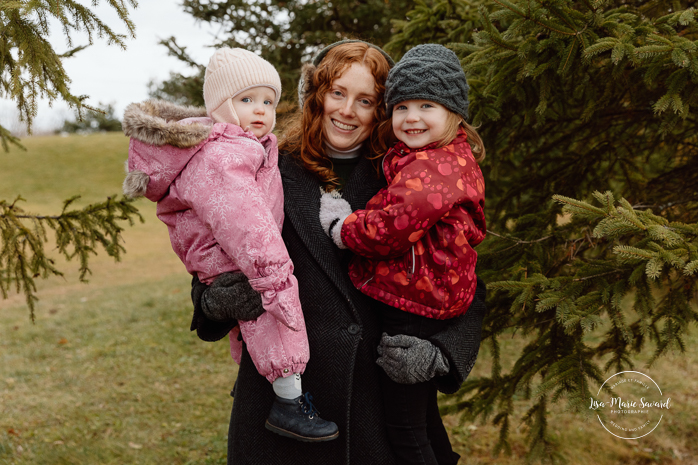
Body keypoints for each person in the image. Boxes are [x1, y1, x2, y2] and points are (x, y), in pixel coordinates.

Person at [190, 40, 488, 465]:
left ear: (381, 109)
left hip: (375, 405)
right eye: (337, 93)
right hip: (283, 405)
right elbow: (207, 255)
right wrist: (214, 300)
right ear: (316, 96)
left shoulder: (413, 178)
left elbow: (462, 277)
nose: (347, 111)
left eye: (365, 100)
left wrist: (440, 353)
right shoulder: (263, 167)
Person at [121, 47, 338, 442]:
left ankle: (258, 383)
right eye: (246, 100)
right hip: (234, 256)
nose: (260, 110)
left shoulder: (252, 147)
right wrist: (276, 280)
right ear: (220, 105)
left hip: (233, 253)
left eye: (268, 101)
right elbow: (245, 223)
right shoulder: (222, 154)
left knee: (254, 321)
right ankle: (288, 400)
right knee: (272, 314)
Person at [318, 43, 486, 465]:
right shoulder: (423, 159)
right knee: (424, 422)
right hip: (414, 304)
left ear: (454, 112)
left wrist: (343, 228)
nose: (411, 118)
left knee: (407, 432)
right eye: (401, 107)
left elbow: (392, 224)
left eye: (426, 105)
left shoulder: (432, 167)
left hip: (413, 311)